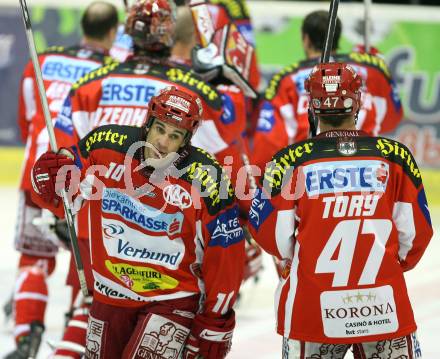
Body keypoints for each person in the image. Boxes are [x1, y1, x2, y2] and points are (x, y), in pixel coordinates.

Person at [31, 87, 245, 359]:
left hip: (171, 300)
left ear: (187, 140)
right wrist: (49, 177)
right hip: (111, 292)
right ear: (148, 123)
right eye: (160, 129)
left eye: (175, 136)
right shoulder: (105, 145)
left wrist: (216, 318)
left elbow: (226, 254)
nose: (163, 143)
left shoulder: (207, 178)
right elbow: (61, 196)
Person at [248, 62, 433, 358]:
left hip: (312, 309)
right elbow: (417, 233)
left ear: (312, 107)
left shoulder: (288, 161)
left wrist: (294, 263)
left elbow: (271, 235)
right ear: (357, 102)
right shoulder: (395, 157)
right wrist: (389, 267)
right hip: (383, 306)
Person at [6, 3, 118, 358]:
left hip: (37, 173)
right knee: (83, 261)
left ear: (81, 26)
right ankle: (79, 332)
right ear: (113, 34)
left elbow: (26, 116)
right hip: (79, 178)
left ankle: (26, 336)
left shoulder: (45, 60)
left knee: (33, 259)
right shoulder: (111, 71)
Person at [252, 10, 403, 176]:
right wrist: (381, 68)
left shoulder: (286, 79)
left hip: (312, 176)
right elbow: (392, 119)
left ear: (306, 39)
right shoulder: (372, 69)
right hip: (368, 175)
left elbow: (267, 143)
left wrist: (264, 186)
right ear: (338, 37)